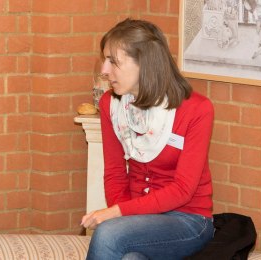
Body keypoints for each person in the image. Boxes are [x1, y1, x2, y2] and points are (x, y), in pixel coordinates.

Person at [81, 18, 215, 260]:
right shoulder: (110, 105)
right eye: (105, 60)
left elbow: (184, 190)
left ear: (144, 62)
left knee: (109, 234)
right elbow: (114, 173)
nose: (104, 70)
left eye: (113, 61)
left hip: (188, 220)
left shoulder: (197, 109)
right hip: (138, 219)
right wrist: (126, 217)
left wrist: (118, 214)